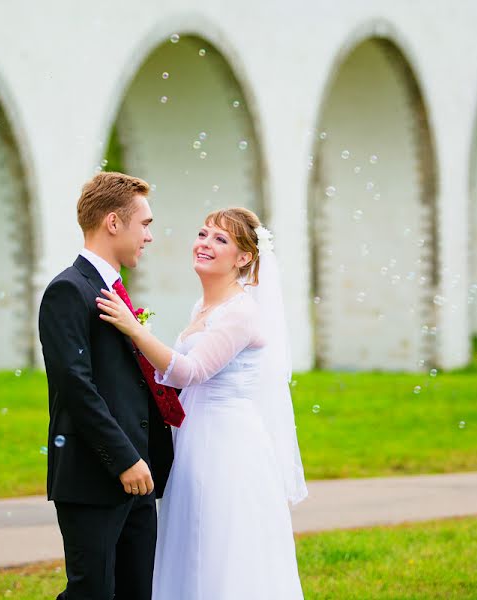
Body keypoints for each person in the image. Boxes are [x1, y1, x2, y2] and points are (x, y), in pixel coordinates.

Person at [97, 207, 308, 599]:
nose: (205, 244)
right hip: (194, 437)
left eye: (220, 239)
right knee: (191, 538)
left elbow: (190, 372)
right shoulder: (203, 308)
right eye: (203, 234)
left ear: (244, 257)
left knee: (221, 544)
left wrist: (133, 329)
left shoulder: (241, 312)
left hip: (228, 446)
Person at [38, 171, 182, 600]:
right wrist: (122, 459)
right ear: (113, 223)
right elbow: (76, 388)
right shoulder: (68, 290)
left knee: (138, 591)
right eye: (146, 224)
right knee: (92, 593)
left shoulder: (114, 292)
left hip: (140, 476)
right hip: (95, 474)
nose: (150, 236)